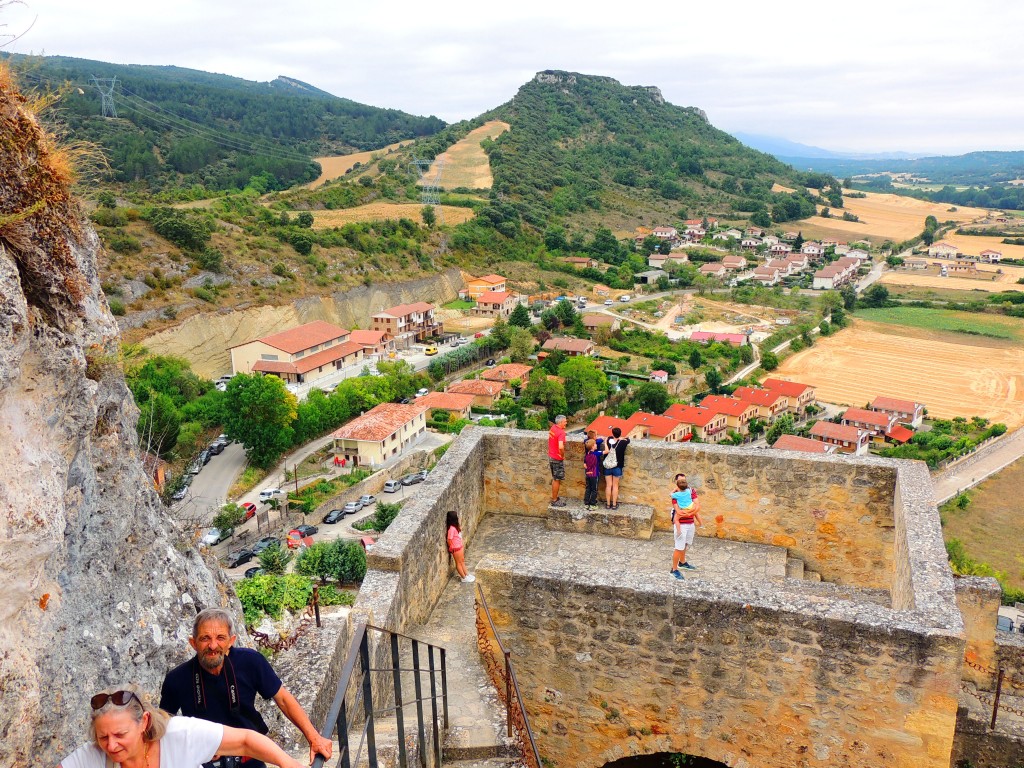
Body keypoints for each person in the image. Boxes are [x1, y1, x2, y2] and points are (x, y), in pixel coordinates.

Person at [160, 608, 332, 768]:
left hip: (251, 760)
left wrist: (314, 738)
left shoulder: (250, 662)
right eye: (205, 638)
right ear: (193, 642)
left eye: (220, 638)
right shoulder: (176, 679)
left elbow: (283, 699)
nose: (213, 646)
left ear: (231, 641)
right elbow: (162, 728)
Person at [60, 686, 305, 768]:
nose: (111, 745)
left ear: (144, 722)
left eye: (120, 735)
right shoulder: (92, 756)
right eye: (103, 737)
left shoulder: (179, 734)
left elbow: (245, 741)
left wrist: (287, 763)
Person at [670, 477, 703, 580]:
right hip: (682, 525)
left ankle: (682, 562)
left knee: (685, 544)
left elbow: (698, 506)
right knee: (678, 547)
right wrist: (691, 511)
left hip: (690, 523)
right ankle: (674, 569)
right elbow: (679, 512)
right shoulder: (676, 496)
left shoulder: (690, 491)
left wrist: (688, 512)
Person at [604, 426, 631, 510]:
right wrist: (621, 438)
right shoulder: (622, 443)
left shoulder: (608, 440)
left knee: (608, 485)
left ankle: (608, 504)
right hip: (617, 466)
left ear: (612, 434)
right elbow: (628, 439)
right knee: (615, 486)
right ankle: (614, 505)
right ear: (620, 434)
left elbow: (608, 437)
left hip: (608, 465)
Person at [446, 510, 475, 583]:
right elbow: (449, 539)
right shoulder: (451, 529)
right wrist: (451, 547)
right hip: (456, 548)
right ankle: (463, 577)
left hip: (459, 546)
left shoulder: (455, 526)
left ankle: (466, 574)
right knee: (458, 563)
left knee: (462, 561)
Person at [548, 414, 567, 507]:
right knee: (557, 479)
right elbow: (560, 446)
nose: (566, 423)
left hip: (551, 456)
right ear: (560, 422)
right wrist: (562, 454)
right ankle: (555, 500)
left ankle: (554, 498)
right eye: (565, 421)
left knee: (554, 478)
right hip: (557, 458)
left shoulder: (553, 428)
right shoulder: (561, 432)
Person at [583, 439, 600, 511]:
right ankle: (592, 504)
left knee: (588, 488)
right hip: (594, 474)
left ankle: (586, 503)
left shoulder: (587, 454)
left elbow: (585, 464)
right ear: (593, 446)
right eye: (595, 444)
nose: (597, 445)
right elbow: (606, 451)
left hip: (588, 474)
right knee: (594, 489)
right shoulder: (596, 454)